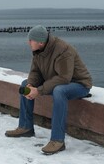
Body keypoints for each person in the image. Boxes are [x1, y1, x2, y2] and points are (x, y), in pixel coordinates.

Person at [5, 25, 93, 155]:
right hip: (56, 81)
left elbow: (64, 78)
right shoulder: (38, 51)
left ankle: (58, 140)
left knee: (59, 91)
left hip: (78, 84)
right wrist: (31, 85)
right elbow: (35, 72)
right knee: (25, 84)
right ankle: (25, 127)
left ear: (40, 42)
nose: (28, 42)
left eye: (31, 40)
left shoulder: (63, 50)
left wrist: (39, 91)